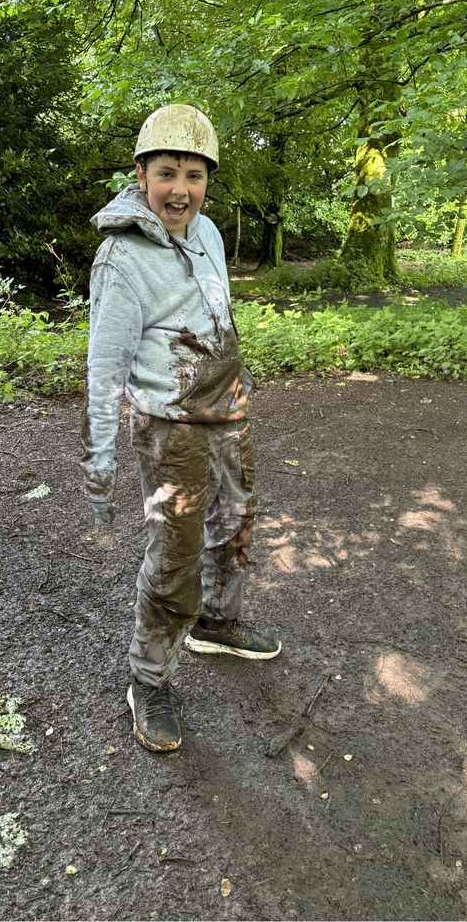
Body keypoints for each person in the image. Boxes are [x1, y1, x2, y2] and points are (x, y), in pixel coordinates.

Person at [80, 104, 280, 753]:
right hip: (171, 428)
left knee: (239, 522)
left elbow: (213, 316)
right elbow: (105, 365)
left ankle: (217, 623)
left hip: (227, 408)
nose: (181, 188)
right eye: (167, 172)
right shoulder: (120, 257)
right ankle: (149, 679)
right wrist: (100, 458)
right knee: (175, 553)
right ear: (141, 175)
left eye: (194, 175)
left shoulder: (209, 233)